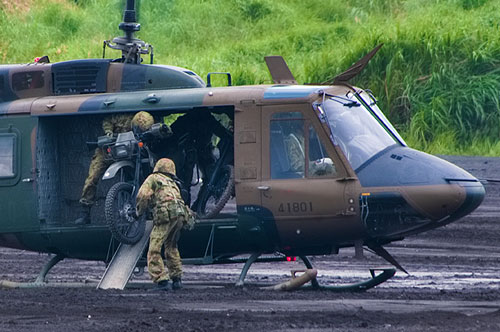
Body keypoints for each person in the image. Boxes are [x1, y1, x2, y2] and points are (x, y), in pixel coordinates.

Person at [74, 111, 154, 225]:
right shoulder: (123, 117)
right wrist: (109, 132)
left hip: (130, 152)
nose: (139, 130)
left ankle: (148, 209)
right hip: (109, 150)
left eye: (142, 129)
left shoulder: (147, 126)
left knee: (146, 176)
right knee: (92, 177)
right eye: (137, 128)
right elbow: (107, 120)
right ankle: (85, 211)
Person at [136, 158, 194, 291]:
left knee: (154, 248)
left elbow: (143, 195)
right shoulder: (173, 183)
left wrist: (139, 211)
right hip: (180, 216)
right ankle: (177, 280)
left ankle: (161, 281)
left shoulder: (154, 178)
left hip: (166, 216)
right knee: (171, 246)